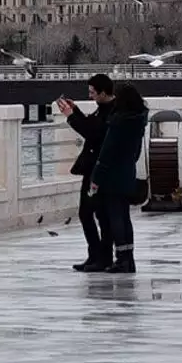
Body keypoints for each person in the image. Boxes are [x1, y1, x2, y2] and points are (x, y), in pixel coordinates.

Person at [55, 74, 115, 272]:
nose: (90, 96)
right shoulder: (103, 110)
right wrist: (76, 111)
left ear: (103, 93)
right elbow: (91, 126)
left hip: (101, 170)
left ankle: (102, 256)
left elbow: (93, 133)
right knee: (88, 213)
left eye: (92, 93)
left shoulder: (111, 112)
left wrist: (71, 116)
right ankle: (96, 255)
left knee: (99, 214)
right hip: (93, 169)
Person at [89, 83, 148, 273]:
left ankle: (121, 258)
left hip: (112, 176)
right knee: (125, 217)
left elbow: (106, 153)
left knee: (115, 217)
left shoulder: (118, 123)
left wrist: (95, 178)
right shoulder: (138, 122)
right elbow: (137, 152)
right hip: (127, 173)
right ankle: (128, 258)